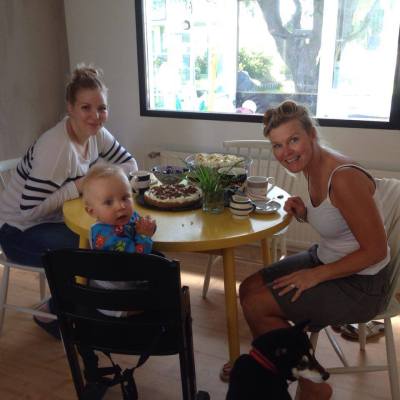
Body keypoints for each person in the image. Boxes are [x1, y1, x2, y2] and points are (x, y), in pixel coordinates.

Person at [238, 100, 390, 399]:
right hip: (327, 260)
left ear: (312, 134)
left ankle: (311, 387)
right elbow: (340, 221)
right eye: (277, 145)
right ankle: (280, 370)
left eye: (293, 140)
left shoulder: (342, 177)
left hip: (362, 284)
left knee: (257, 304)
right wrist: (306, 213)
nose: (286, 152)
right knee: (248, 288)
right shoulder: (310, 166)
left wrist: (315, 276)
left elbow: (376, 251)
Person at [0, 64, 138, 339]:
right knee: (93, 247)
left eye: (102, 108)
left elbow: (130, 164)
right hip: (17, 231)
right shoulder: (56, 148)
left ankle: (104, 307)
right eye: (86, 107)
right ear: (70, 108)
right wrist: (79, 186)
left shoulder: (96, 134)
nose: (95, 116)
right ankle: (57, 314)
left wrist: (98, 178)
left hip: (52, 219)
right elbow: (28, 211)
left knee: (113, 233)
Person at [82, 163, 156, 318]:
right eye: (109, 202)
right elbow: (136, 262)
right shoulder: (104, 236)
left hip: (129, 287)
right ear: (92, 211)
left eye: (125, 197)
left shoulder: (126, 217)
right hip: (112, 299)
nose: (121, 206)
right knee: (164, 300)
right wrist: (144, 236)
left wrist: (147, 225)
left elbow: (138, 226)